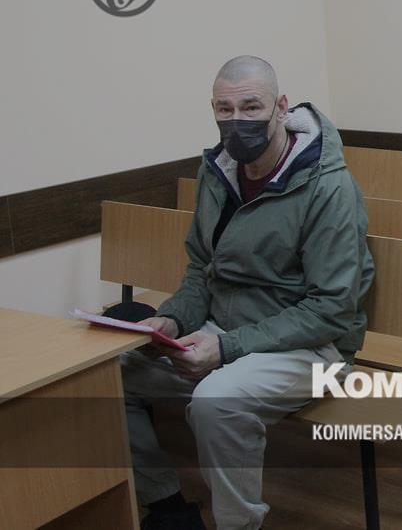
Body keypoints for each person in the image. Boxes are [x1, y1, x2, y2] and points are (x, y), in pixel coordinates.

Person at [121, 55, 375, 530]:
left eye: (251, 107)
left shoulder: (329, 186)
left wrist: (226, 348)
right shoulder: (218, 172)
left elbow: (331, 309)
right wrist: (173, 319)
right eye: (225, 109)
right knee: (112, 371)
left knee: (216, 402)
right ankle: (166, 504)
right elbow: (202, 269)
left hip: (314, 347)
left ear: (280, 107)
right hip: (226, 332)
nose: (237, 121)